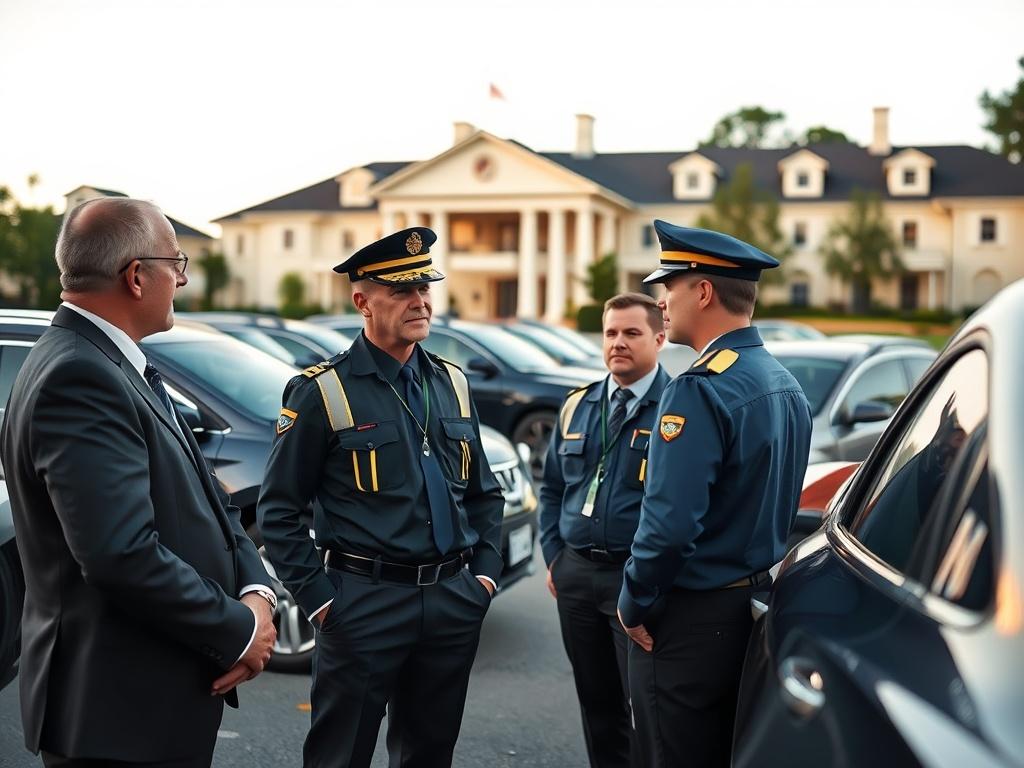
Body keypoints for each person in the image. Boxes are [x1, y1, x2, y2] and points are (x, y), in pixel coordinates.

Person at [0, 198, 277, 767]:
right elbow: (119, 554)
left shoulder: (113, 363)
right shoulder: (79, 375)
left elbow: (209, 501)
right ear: (135, 276)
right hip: (115, 716)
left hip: (142, 707)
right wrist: (238, 631)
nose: (181, 278)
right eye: (176, 263)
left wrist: (256, 593)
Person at [257, 227, 504, 768]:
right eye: (401, 290)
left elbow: (484, 495)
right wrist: (323, 602)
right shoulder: (323, 390)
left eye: (424, 288)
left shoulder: (452, 383)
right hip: (363, 602)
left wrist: (483, 576)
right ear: (362, 301)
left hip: (451, 600)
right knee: (340, 754)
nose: (419, 302)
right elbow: (278, 511)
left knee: (429, 753)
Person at [617, 220, 813, 768]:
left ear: (702, 291)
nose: (662, 301)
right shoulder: (783, 381)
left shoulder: (698, 389)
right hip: (750, 608)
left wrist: (633, 601)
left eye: (669, 286)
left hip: (688, 620)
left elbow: (669, 526)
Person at [539, 292, 670, 768]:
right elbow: (551, 487)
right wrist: (554, 556)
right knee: (597, 705)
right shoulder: (578, 405)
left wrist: (651, 582)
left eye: (632, 333)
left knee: (647, 711)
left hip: (633, 582)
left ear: (659, 338)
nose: (618, 342)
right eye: (611, 333)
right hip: (575, 575)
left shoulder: (677, 408)